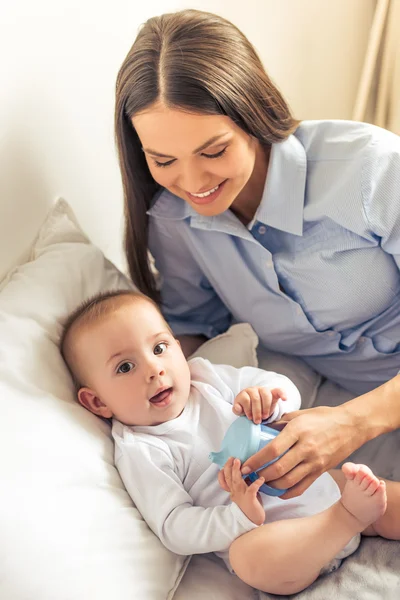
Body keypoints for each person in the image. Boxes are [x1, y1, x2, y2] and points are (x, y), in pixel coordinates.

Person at [113, 8, 400, 499]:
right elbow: (192, 331)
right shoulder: (174, 222)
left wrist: (351, 423)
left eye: (213, 151)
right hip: (341, 408)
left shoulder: (369, 169)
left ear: (253, 112)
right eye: (164, 160)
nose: (193, 183)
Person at [60, 290, 400, 596]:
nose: (154, 369)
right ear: (97, 403)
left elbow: (286, 392)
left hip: (313, 488)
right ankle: (348, 518)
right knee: (249, 559)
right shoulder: (140, 448)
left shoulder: (206, 379)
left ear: (178, 348)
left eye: (160, 348)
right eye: (125, 366)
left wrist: (268, 399)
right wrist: (239, 516)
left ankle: (358, 512)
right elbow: (174, 527)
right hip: (277, 541)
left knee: (366, 485)